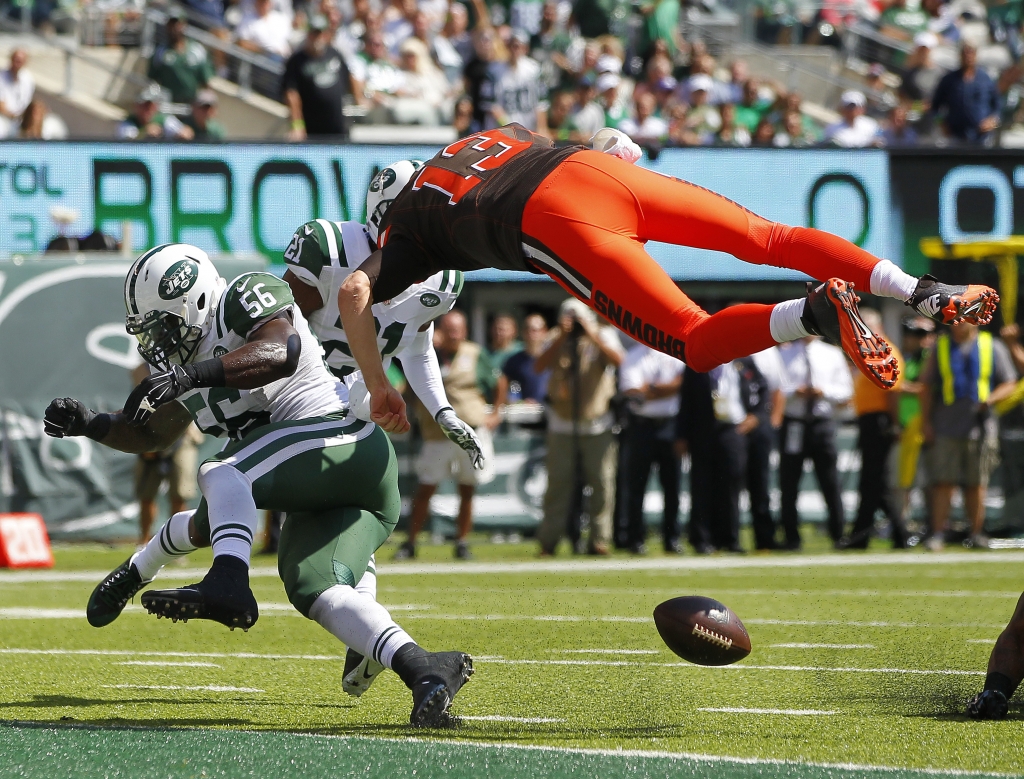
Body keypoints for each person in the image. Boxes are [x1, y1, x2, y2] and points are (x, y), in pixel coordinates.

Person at [330, 122, 999, 446]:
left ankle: (811, 315)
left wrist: (383, 386)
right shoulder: (475, 143)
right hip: (591, 168)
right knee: (769, 236)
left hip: (552, 220)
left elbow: (353, 295)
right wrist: (615, 153)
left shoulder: (406, 230)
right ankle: (923, 291)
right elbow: (584, 139)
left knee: (696, 342)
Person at [46, 245, 473, 727]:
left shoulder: (241, 297)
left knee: (222, 473)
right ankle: (426, 669)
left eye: (163, 325)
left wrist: (188, 376)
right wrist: (90, 423)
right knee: (317, 589)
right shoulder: (190, 368)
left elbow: (281, 351)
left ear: (193, 301)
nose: (158, 340)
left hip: (342, 440)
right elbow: (148, 433)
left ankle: (228, 581)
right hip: (330, 489)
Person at [401, 309, 496, 560]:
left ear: (464, 331)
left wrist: (495, 413)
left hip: (468, 429)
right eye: (449, 329)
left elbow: (499, 382)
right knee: (425, 489)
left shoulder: (475, 353)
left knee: (467, 488)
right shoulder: (428, 350)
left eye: (458, 329)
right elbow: (409, 384)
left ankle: (462, 541)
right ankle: (411, 542)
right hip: (436, 432)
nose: (453, 334)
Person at [534, 298, 624, 555]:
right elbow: (538, 366)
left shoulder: (603, 334)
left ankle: (600, 539)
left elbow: (619, 361)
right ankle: (549, 540)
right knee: (557, 485)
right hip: (562, 423)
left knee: (601, 483)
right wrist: (561, 337)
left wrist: (593, 333)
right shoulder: (554, 337)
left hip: (598, 423)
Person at [920, 322, 1017, 551]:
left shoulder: (991, 345)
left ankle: (976, 533)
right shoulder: (940, 346)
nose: (956, 326)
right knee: (943, 482)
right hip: (945, 425)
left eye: (962, 321)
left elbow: (1009, 382)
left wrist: (990, 400)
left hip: (980, 427)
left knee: (977, 483)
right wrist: (926, 422)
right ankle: (938, 534)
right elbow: (926, 385)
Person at [840, 310, 908, 549]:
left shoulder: (883, 350)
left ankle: (867, 535)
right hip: (871, 419)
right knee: (874, 481)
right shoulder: (871, 351)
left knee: (873, 481)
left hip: (878, 421)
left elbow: (893, 391)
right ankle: (886, 534)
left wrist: (893, 423)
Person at [777, 336, 853, 549]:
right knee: (789, 482)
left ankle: (838, 534)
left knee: (830, 480)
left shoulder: (832, 353)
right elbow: (776, 388)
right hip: (795, 422)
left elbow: (846, 391)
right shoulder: (785, 353)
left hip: (822, 423)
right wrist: (794, 391)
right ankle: (791, 537)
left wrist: (824, 391)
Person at [618, 343, 684, 554]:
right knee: (637, 486)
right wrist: (664, 389)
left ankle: (672, 538)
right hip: (642, 426)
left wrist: (650, 389)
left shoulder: (674, 354)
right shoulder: (634, 355)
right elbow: (631, 392)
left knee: (672, 487)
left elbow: (681, 384)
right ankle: (635, 539)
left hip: (670, 424)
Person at [130, 363, 204, 544]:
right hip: (151, 434)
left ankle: (177, 542)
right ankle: (143, 542)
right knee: (147, 495)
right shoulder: (140, 370)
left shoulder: (189, 361)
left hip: (184, 434)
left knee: (179, 495)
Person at [894, 317, 935, 523]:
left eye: (922, 335)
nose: (915, 339)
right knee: (906, 479)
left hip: (927, 426)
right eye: (912, 335)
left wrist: (902, 387)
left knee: (930, 480)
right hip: (908, 427)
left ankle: (934, 523)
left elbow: (926, 388)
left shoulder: (931, 358)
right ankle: (905, 523)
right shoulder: (908, 359)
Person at [931, 43, 1001, 144]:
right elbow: (935, 106)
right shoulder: (949, 80)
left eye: (971, 53)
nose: (968, 57)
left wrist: (992, 121)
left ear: (976, 55)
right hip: (955, 135)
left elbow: (997, 104)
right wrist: (941, 124)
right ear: (960, 56)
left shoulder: (985, 79)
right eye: (965, 54)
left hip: (981, 136)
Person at [147, 8, 214, 105]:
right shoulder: (160, 52)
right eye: (171, 24)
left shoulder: (197, 50)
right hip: (167, 104)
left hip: (192, 105)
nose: (173, 27)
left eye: (177, 23)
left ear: (184, 25)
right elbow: (151, 81)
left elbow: (207, 81)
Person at [489, 29, 548, 133]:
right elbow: (492, 107)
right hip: (503, 131)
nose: (516, 50)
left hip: (528, 129)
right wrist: (510, 127)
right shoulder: (494, 71)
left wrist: (541, 128)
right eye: (513, 46)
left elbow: (541, 104)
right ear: (507, 46)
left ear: (526, 48)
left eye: (520, 46)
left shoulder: (534, 70)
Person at [497, 312, 551, 406]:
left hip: (552, 413)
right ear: (523, 332)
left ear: (544, 331)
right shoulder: (513, 361)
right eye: (528, 329)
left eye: (535, 330)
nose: (531, 334)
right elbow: (503, 390)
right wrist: (520, 402)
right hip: (525, 413)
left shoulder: (554, 358)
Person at [117, 84, 193, 140]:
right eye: (144, 105)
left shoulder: (164, 120)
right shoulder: (128, 122)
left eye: (150, 106)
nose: (147, 109)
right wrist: (144, 133)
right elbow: (127, 141)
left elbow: (187, 133)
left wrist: (179, 134)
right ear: (137, 106)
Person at [0, 49, 34, 138]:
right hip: (4, 119)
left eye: (21, 60)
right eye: (16, 59)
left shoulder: (28, 79)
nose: (18, 63)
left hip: (21, 120)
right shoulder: (1, 77)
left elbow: (27, 103)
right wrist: (13, 116)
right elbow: (1, 105)